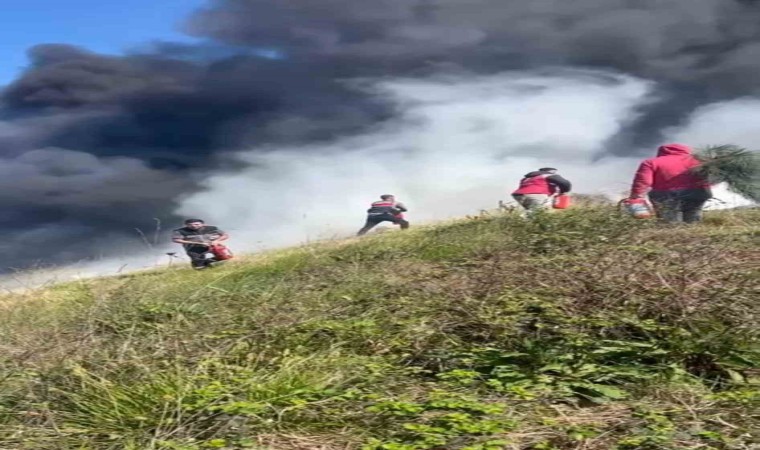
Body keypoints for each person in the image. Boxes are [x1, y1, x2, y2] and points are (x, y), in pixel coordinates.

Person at [630, 143, 712, 223]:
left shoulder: (651, 162)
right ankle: (692, 230)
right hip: (697, 193)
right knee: (692, 219)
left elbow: (643, 181)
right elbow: (712, 177)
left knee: (670, 221)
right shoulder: (700, 162)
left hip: (666, 195)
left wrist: (636, 196)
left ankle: (672, 230)